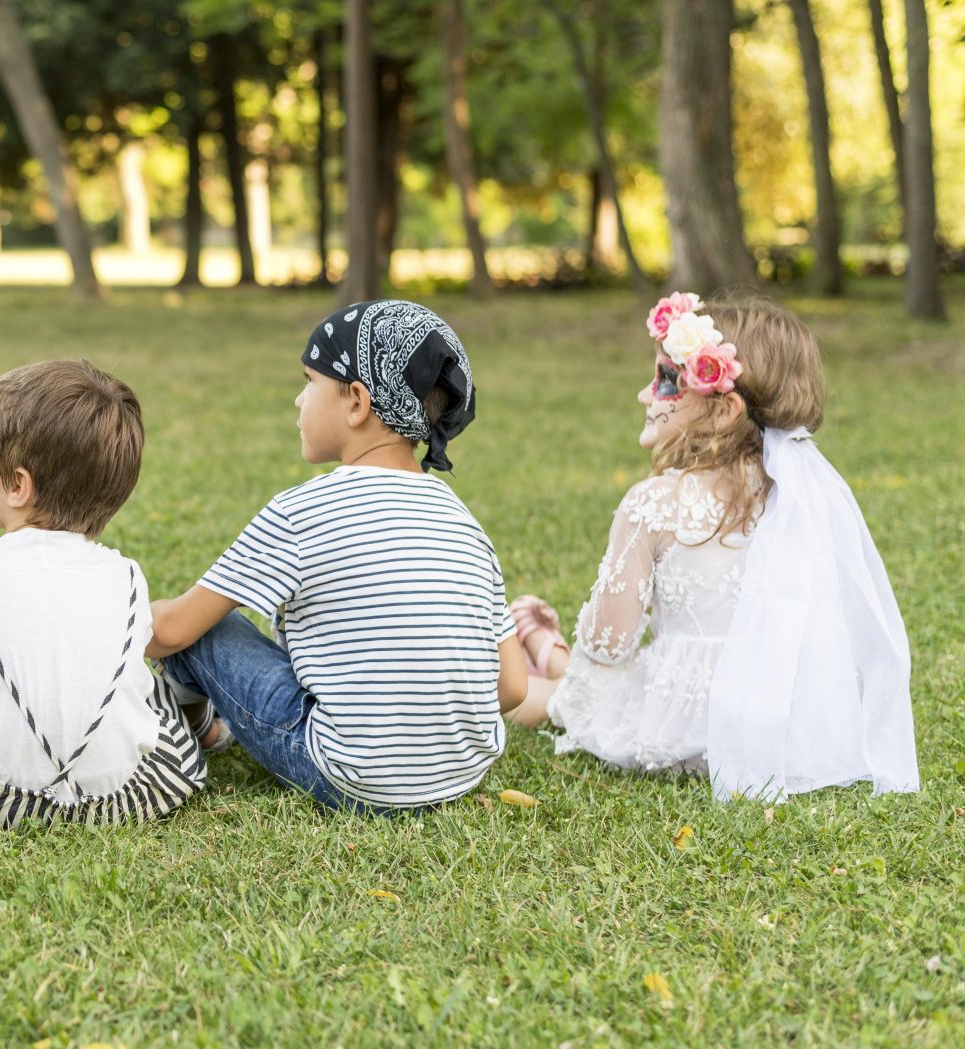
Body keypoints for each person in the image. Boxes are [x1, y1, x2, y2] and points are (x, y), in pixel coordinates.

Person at [507, 294, 918, 802]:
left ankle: (542, 648)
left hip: (686, 730)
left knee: (540, 695)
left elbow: (609, 647)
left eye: (665, 381)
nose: (645, 395)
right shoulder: (801, 500)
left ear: (724, 410)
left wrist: (556, 650)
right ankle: (546, 649)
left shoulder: (654, 504)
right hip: (785, 724)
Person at [149, 300, 527, 812]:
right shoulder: (464, 521)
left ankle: (193, 732)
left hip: (349, 774)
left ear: (356, 401)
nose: (297, 401)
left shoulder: (301, 511)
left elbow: (172, 630)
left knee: (204, 631)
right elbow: (512, 687)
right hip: (461, 775)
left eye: (309, 381)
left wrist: (91, 614)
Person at [0, 360, 208, 826]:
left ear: (18, 485)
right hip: (130, 800)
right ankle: (206, 727)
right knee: (155, 691)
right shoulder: (126, 575)